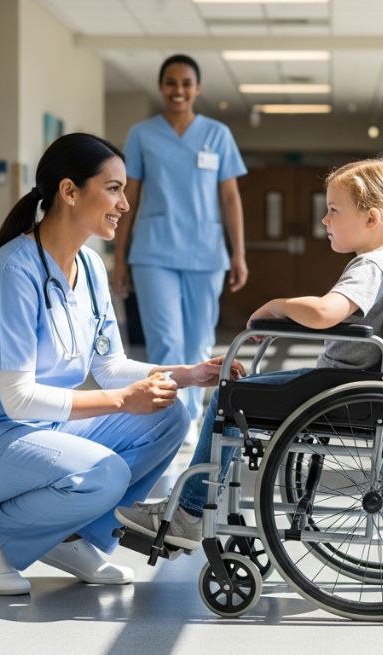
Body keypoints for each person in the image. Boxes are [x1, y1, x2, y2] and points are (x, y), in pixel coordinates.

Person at [0, 133, 245, 595]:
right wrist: (121, 401)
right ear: (69, 191)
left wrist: (191, 374)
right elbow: (18, 400)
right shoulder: (12, 273)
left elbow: (112, 365)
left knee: (169, 413)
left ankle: (76, 536)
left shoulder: (90, 267)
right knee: (105, 473)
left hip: (39, 428)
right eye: (113, 189)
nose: (125, 204)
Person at [115, 157, 383, 549]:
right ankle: (195, 507)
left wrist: (278, 304)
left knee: (230, 396)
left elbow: (327, 312)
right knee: (244, 388)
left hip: (338, 389)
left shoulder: (370, 265)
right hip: (355, 387)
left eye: (333, 210)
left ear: (372, 219)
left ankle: (189, 513)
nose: (325, 220)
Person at [112, 53, 248, 421]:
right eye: (171, 83)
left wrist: (239, 254)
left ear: (197, 88)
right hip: (154, 251)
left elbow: (230, 197)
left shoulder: (217, 134)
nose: (178, 90)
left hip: (206, 252)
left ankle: (190, 413)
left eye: (186, 83)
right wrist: (119, 258)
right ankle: (174, 420)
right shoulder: (142, 134)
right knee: (166, 342)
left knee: (199, 341)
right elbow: (131, 197)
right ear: (161, 87)